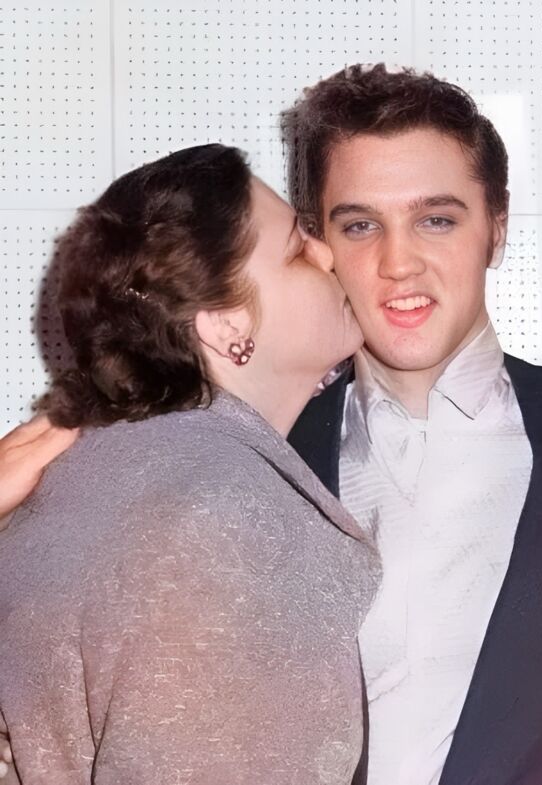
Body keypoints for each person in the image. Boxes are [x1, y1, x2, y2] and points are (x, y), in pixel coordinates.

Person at [2, 64, 542, 784]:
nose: (397, 263)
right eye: (359, 225)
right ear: (320, 241)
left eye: (436, 219)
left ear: (496, 227)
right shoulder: (226, 472)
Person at [0, 143, 379, 784]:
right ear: (226, 324)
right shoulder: (220, 517)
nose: (329, 255)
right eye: (297, 250)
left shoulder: (83, 479)